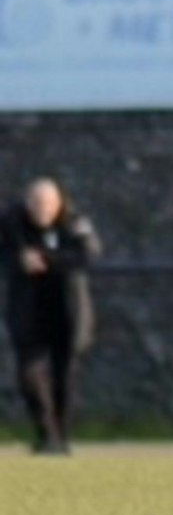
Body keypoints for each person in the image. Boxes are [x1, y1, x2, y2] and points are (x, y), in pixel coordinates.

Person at [2, 178, 100, 455]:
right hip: (29, 311)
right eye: (35, 203)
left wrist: (48, 259)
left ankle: (62, 437)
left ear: (58, 204)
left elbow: (87, 255)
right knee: (30, 375)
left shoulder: (75, 223)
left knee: (64, 375)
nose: (41, 209)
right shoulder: (11, 223)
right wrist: (18, 262)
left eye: (47, 204)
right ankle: (46, 435)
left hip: (67, 311)